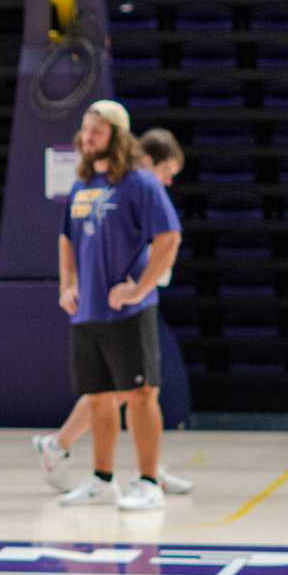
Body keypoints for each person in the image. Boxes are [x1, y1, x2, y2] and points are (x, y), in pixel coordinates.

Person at [35, 127, 192, 495]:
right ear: (148, 162)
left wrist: (144, 284)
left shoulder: (137, 193)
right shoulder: (125, 187)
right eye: (168, 171)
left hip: (137, 303)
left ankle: (146, 466)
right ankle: (65, 446)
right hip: (117, 308)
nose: (169, 182)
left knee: (135, 391)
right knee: (122, 391)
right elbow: (70, 239)